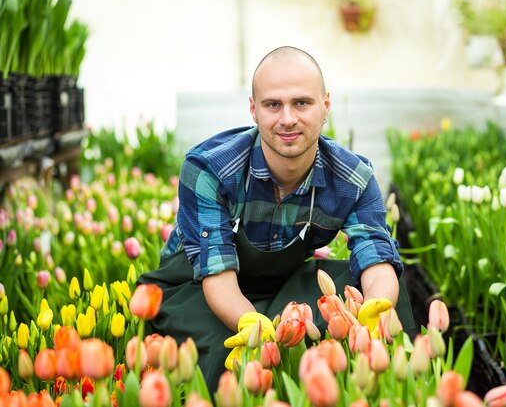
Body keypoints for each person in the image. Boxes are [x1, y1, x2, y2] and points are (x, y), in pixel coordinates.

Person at [138, 46, 415, 391]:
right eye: (273, 105)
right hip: (199, 287)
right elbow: (217, 279)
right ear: (253, 109)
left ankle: (387, 390)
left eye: (301, 103)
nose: (287, 118)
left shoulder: (352, 178)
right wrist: (257, 328)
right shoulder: (209, 169)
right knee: (225, 346)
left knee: (387, 289)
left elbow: (375, 257)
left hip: (284, 284)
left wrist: (375, 309)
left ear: (325, 105)